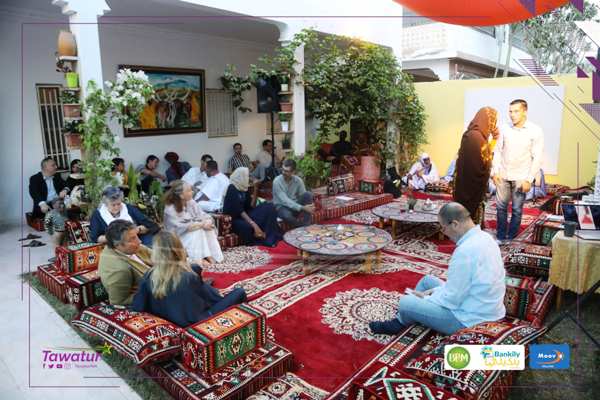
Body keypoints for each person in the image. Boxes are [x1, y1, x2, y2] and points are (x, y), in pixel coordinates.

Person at [369, 202, 506, 336]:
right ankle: (406, 316)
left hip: (469, 319)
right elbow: (461, 288)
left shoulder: (466, 251)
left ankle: (400, 322)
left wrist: (427, 298)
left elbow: (452, 299)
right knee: (427, 281)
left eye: (443, 228)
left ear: (455, 224)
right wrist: (434, 292)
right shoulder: (486, 237)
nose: (444, 233)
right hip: (482, 306)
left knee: (405, 302)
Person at [131, 231, 247, 327]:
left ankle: (203, 285)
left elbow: (138, 307)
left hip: (169, 319)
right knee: (239, 292)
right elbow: (211, 301)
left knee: (196, 269)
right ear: (179, 249)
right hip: (197, 322)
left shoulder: (148, 275)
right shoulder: (188, 277)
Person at [492, 99, 544, 243]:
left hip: (521, 177)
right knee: (500, 208)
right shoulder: (504, 128)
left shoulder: (535, 131)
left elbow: (537, 157)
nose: (512, 115)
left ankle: (512, 237)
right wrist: (495, 171)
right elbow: (497, 151)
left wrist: (529, 179)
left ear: (524, 112)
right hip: (503, 174)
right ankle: (500, 236)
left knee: (516, 209)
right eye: (510, 111)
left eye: (516, 111)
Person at [454, 107, 499, 225]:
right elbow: (480, 163)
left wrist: (494, 139)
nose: (493, 125)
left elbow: (484, 155)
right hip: (470, 184)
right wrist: (488, 169)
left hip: (467, 182)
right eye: (492, 121)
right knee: (468, 214)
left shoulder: (476, 135)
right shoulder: (475, 137)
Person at [163, 180, 223, 266]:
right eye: (189, 191)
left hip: (191, 232)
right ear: (181, 195)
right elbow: (183, 227)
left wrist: (208, 221)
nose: (192, 192)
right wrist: (202, 224)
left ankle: (214, 257)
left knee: (207, 229)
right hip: (177, 238)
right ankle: (198, 259)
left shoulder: (191, 202)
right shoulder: (170, 209)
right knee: (198, 231)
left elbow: (203, 215)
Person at [223, 167, 282, 247]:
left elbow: (251, 206)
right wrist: (254, 224)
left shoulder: (244, 188)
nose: (249, 178)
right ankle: (263, 240)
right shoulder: (232, 188)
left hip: (246, 215)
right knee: (247, 227)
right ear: (241, 176)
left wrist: (255, 188)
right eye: (248, 176)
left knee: (269, 207)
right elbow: (239, 210)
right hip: (235, 218)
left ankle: (270, 237)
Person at [98, 220, 152, 305]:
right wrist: (151, 294)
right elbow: (119, 302)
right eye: (132, 239)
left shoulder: (129, 248)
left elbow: (159, 256)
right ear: (118, 245)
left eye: (136, 236)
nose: (139, 241)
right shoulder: (120, 271)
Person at [90, 186, 159, 246]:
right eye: (113, 205)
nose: (117, 207)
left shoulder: (128, 208)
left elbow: (149, 225)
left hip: (137, 238)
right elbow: (95, 238)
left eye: (119, 204)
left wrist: (137, 230)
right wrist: (117, 237)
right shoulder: (98, 214)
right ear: (106, 204)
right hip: (114, 245)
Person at [272, 159, 315, 228]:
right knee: (287, 216)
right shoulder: (276, 181)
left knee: (308, 195)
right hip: (281, 207)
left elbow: (303, 196)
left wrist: (309, 206)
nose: (283, 172)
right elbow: (285, 201)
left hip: (295, 207)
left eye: (286, 171)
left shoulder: (298, 180)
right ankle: (301, 226)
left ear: (293, 172)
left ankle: (307, 223)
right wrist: (302, 208)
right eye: (282, 170)